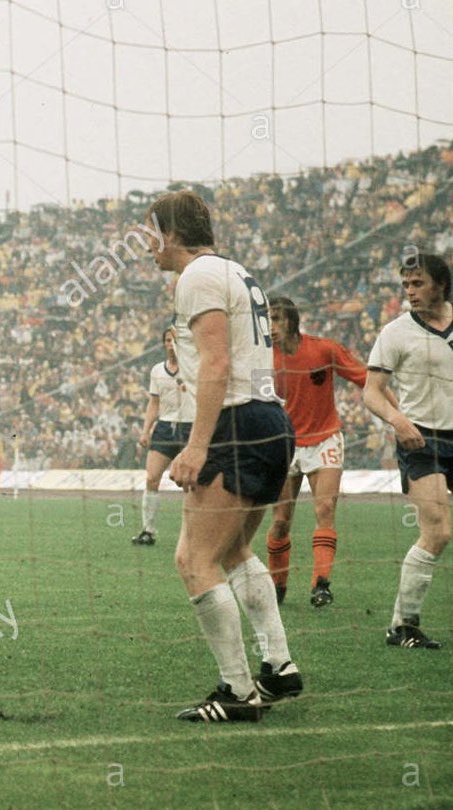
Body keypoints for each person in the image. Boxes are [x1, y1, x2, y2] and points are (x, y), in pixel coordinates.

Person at [147, 189, 302, 722]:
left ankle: (237, 693)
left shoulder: (196, 277)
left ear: (169, 233)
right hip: (267, 419)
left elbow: (215, 365)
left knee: (194, 560)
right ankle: (279, 666)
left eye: (151, 233)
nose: (148, 246)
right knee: (234, 551)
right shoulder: (236, 272)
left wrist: (195, 445)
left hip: (234, 424)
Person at [363, 253, 452, 649]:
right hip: (422, 440)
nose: (411, 292)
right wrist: (399, 421)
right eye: (406, 285)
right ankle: (403, 625)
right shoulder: (396, 332)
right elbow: (371, 392)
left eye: (418, 284)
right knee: (438, 530)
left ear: (441, 284)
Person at [266, 296, 377, 607]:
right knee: (280, 520)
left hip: (325, 438)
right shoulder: (263, 360)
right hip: (286, 444)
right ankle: (277, 585)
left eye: (276, 319)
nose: (271, 326)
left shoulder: (324, 349)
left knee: (325, 509)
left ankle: (321, 584)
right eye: (267, 319)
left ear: (291, 321)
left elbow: (367, 379)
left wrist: (398, 415)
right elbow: (261, 405)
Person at [131, 326, 195, 546]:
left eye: (174, 340)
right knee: (151, 478)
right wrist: (146, 430)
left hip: (190, 427)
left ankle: (191, 534)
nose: (170, 344)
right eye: (167, 340)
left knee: (189, 483)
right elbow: (154, 402)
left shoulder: (193, 367)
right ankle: (148, 530)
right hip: (165, 428)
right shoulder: (157, 370)